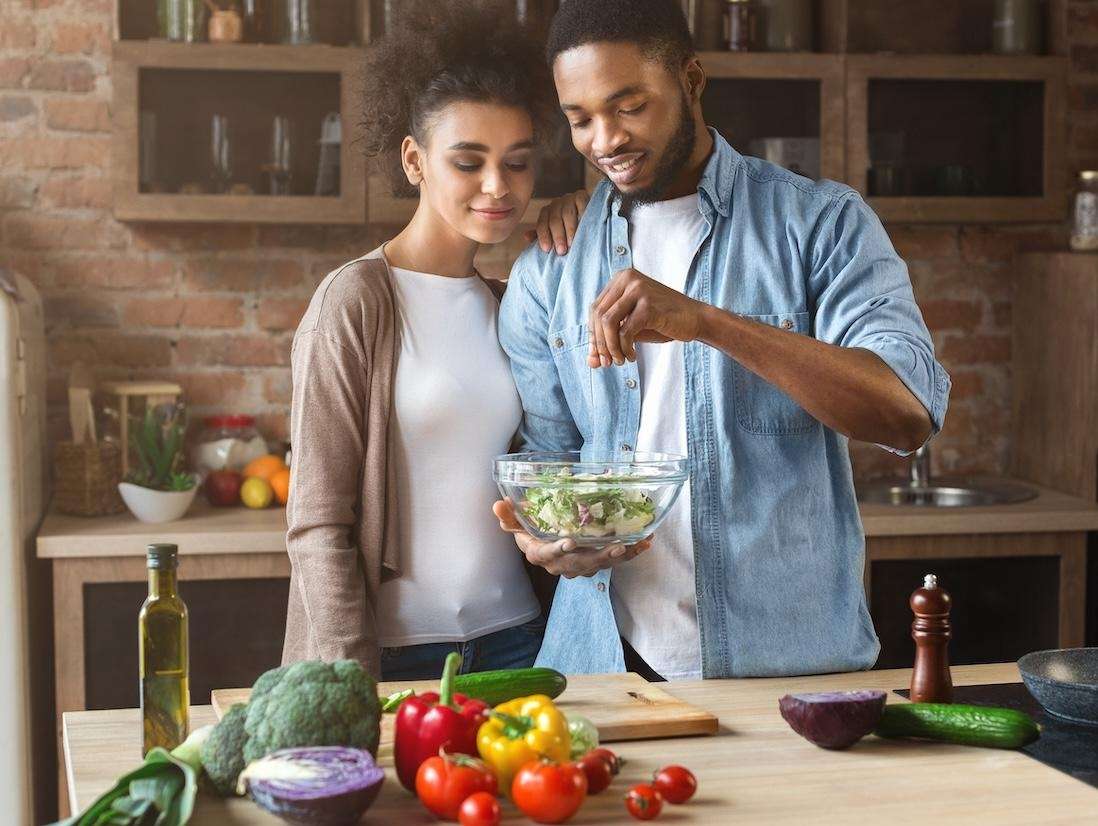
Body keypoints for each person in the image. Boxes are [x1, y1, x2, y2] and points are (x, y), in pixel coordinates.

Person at [494, 0, 951, 681]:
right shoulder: (550, 267)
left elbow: (906, 413)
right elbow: (552, 461)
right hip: (600, 668)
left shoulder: (820, 223)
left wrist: (705, 322)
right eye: (580, 118)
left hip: (787, 667)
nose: (605, 139)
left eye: (629, 106)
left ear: (692, 81)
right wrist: (551, 543)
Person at [282, 0, 558, 681]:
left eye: (518, 163)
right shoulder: (355, 303)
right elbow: (318, 526)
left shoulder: (512, 305)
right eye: (469, 161)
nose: (498, 186)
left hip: (520, 643)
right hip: (397, 655)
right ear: (415, 159)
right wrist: (351, 678)